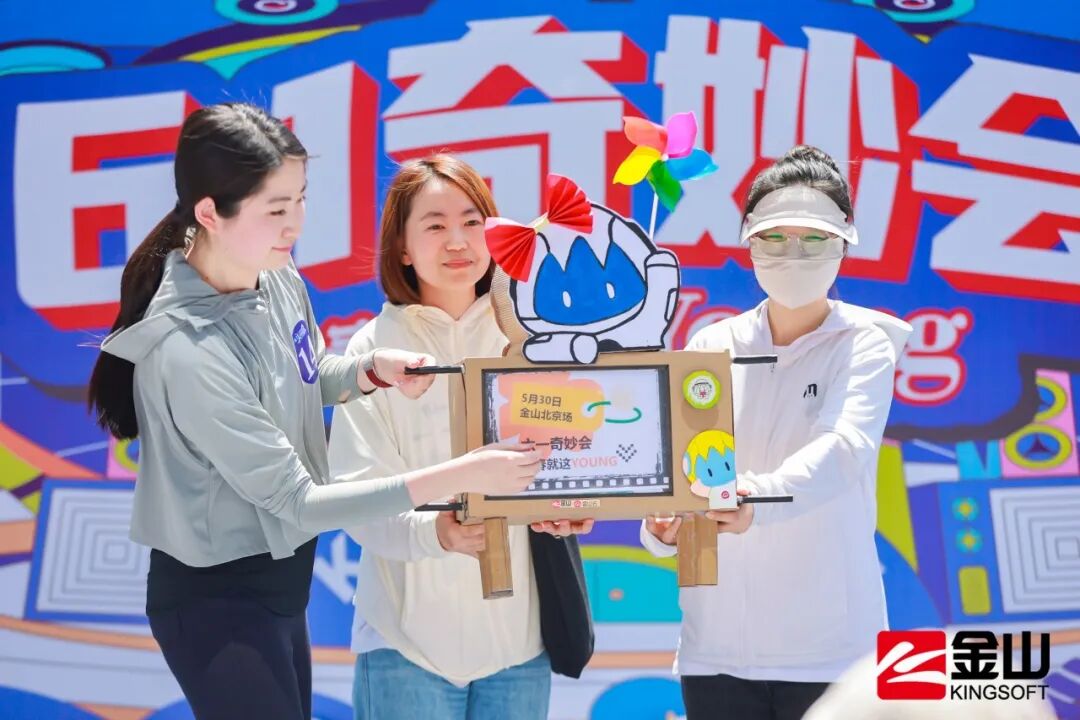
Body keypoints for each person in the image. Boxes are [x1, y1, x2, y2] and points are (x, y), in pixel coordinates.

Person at [87, 105, 540, 720]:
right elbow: (298, 502)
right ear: (209, 214)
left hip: (279, 583)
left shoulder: (272, 275)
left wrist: (366, 372)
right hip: (216, 596)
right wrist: (466, 473)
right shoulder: (188, 349)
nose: (296, 223)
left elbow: (300, 375)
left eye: (299, 200)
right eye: (276, 209)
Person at [641, 145, 913, 720]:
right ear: (749, 242)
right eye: (774, 238)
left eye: (814, 239)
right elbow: (684, 468)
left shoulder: (864, 344)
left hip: (830, 651)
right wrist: (662, 526)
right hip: (715, 649)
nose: (794, 255)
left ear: (844, 243)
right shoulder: (712, 344)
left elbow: (844, 450)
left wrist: (755, 499)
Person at [327, 155, 594, 720]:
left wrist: (570, 507)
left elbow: (571, 460)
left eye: (473, 222)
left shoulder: (532, 337)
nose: (458, 241)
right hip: (404, 644)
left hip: (519, 644)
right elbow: (357, 498)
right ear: (402, 247)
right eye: (435, 225)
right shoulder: (372, 351)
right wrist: (437, 533)